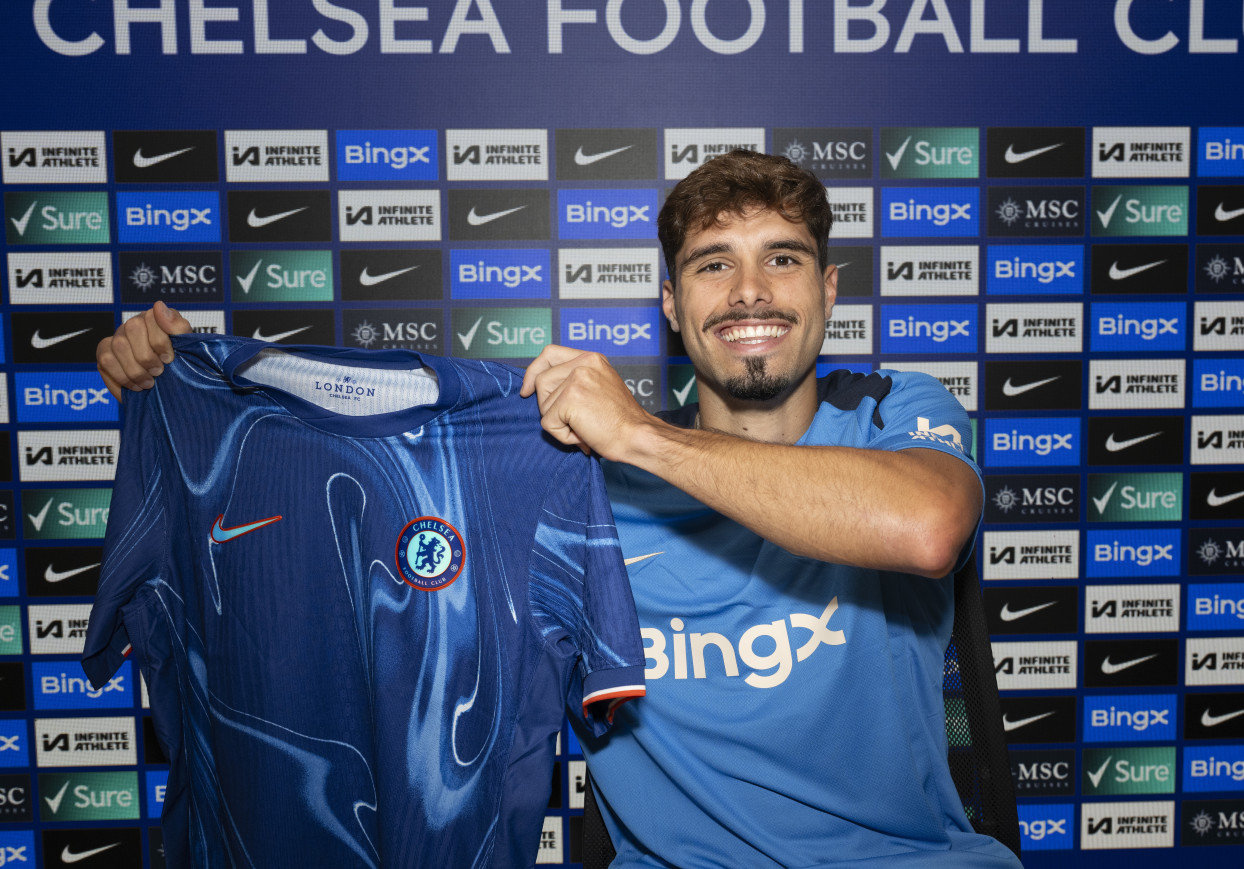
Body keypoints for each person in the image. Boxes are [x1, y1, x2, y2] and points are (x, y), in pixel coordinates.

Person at [99, 149, 1019, 868]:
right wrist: (182, 389)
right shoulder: (570, 482)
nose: (749, 291)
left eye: (783, 258)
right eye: (712, 265)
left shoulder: (896, 410)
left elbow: (926, 525)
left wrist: (640, 436)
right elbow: (347, 505)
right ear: (669, 303)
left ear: (827, 289)